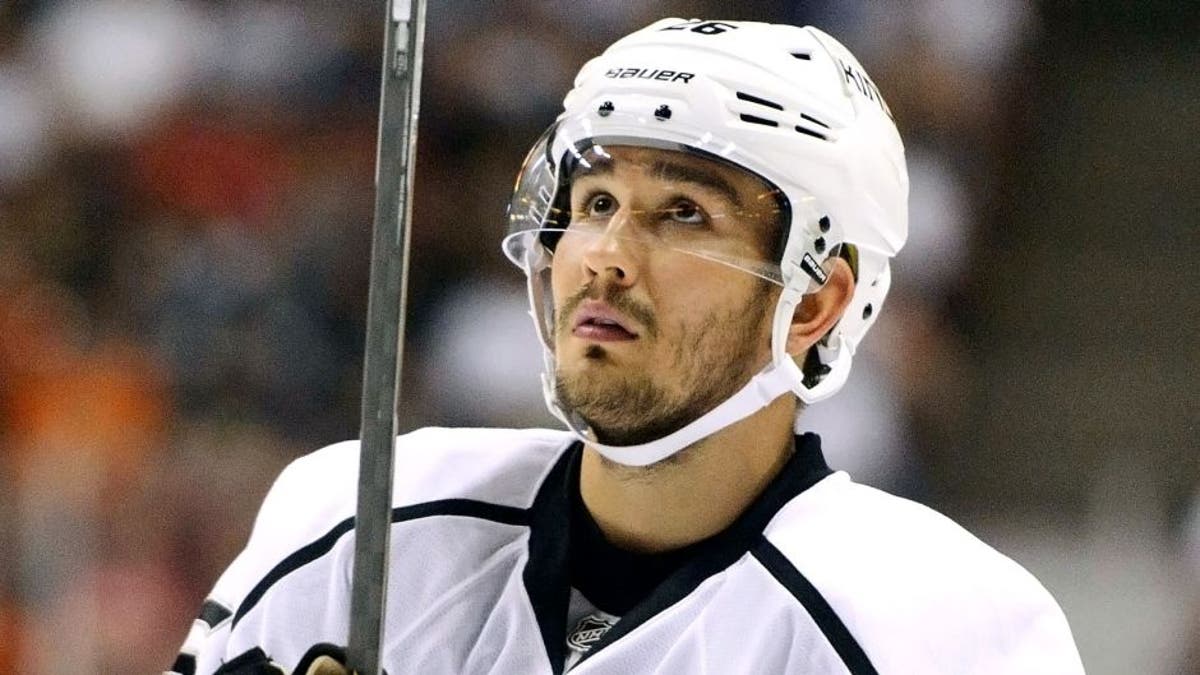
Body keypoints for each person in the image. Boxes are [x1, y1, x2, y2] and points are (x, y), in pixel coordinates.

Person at [170, 18, 1084, 675]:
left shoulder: (938, 630)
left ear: (815, 302)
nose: (604, 256)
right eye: (597, 204)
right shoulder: (360, 519)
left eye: (682, 214)